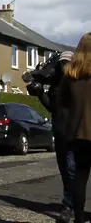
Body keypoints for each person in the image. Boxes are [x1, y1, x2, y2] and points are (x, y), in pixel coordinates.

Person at [35, 51, 75, 223]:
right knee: (65, 170)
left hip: (74, 134)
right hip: (59, 133)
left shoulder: (76, 84)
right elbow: (52, 107)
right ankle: (70, 203)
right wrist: (39, 94)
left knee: (72, 168)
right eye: (61, 63)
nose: (63, 66)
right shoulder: (55, 86)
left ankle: (69, 205)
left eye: (66, 63)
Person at [59, 33, 91, 223]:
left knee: (80, 177)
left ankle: (79, 218)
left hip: (77, 133)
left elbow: (61, 103)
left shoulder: (70, 75)